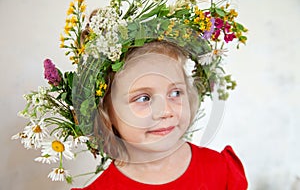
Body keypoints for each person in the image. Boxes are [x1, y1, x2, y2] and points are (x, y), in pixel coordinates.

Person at [71, 40, 248, 190]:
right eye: (143, 98)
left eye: (175, 93)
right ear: (107, 111)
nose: (165, 111)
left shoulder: (220, 171)